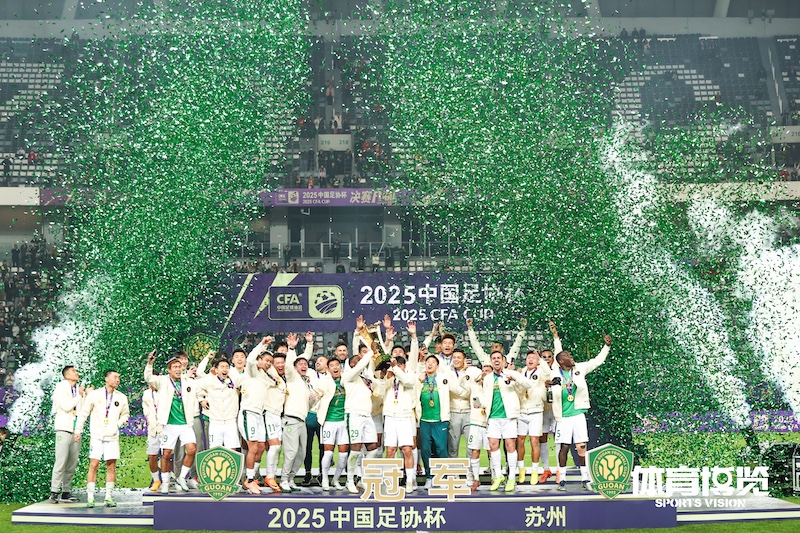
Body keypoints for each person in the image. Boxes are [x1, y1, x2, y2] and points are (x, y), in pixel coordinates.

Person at [551, 333, 612, 491]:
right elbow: (546, 384)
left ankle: (585, 478)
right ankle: (562, 479)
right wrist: (549, 384)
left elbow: (597, 361)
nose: (571, 357)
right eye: (567, 356)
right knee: (564, 447)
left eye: (570, 355)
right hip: (563, 417)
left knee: (581, 446)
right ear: (560, 361)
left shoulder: (579, 369)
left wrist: (606, 347)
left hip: (578, 414)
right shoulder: (555, 373)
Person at [144, 351, 199, 493]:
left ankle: (181, 477)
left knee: (192, 450)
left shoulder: (189, 382)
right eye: (174, 367)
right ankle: (165, 482)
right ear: (169, 370)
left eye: (179, 367)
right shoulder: (162, 381)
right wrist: (150, 363)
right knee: (166, 454)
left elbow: (201, 389)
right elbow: (148, 377)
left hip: (185, 424)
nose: (177, 369)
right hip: (168, 424)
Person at [75, 370, 130, 508]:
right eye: (115, 377)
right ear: (106, 379)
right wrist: (78, 430)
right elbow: (84, 413)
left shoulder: (121, 397)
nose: (117, 380)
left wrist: (117, 424)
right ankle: (90, 497)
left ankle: (108, 497)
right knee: (93, 464)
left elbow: (125, 415)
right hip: (97, 435)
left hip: (112, 436)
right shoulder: (94, 394)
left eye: (118, 377)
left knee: (111, 465)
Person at [480, 350, 532, 492]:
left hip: (509, 417)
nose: (496, 360)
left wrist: (515, 379)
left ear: (503, 361)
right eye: (494, 358)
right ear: (491, 361)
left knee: (510, 446)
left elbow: (528, 384)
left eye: (499, 358)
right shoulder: (488, 378)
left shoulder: (511, 374)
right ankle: (498, 476)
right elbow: (486, 396)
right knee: (493, 446)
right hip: (493, 417)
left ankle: (512, 477)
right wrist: (481, 403)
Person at [341, 324, 379, 494]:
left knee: (373, 449)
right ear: (350, 364)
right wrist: (369, 351)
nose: (358, 361)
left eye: (359, 359)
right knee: (355, 449)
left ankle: (364, 479)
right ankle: (350, 480)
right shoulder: (348, 376)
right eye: (355, 360)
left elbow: (370, 368)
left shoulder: (365, 377)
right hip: (354, 414)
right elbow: (360, 364)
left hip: (367, 415)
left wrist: (364, 335)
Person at [415, 353, 461, 489]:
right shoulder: (420, 379)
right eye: (427, 362)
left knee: (441, 449)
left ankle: (443, 477)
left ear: (437, 365)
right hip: (424, 420)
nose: (429, 364)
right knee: (425, 450)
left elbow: (458, 390)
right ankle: (429, 477)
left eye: (433, 362)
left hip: (440, 420)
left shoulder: (443, 378)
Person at [279, 332, 316, 492]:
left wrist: (313, 399)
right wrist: (291, 348)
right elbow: (288, 365)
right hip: (291, 419)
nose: (303, 365)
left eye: (305, 364)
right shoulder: (292, 377)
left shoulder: (306, 383)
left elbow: (308, 404)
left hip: (302, 421)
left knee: (301, 453)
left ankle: (291, 479)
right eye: (300, 363)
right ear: (295, 368)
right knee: (291, 451)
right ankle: (283, 479)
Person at [50, 365, 92, 503]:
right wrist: (80, 395)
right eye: (74, 371)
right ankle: (54, 492)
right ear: (66, 375)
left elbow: (83, 410)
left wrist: (87, 395)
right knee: (61, 461)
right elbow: (67, 406)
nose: (77, 373)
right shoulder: (61, 387)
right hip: (63, 428)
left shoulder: (78, 389)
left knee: (72, 463)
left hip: (76, 430)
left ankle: (66, 492)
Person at [377, 353, 418, 493]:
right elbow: (379, 393)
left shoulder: (409, 375)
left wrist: (396, 369)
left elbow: (408, 382)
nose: (396, 367)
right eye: (395, 365)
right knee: (390, 450)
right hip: (390, 417)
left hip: (404, 417)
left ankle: (409, 480)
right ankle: (390, 481)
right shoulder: (389, 378)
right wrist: (383, 378)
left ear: (404, 366)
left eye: (400, 365)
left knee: (407, 449)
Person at [240, 338, 274, 495]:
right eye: (266, 360)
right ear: (259, 360)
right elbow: (250, 360)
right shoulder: (251, 371)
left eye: (270, 362)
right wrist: (263, 344)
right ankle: (249, 480)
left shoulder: (265, 376)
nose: (268, 363)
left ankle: (252, 477)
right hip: (248, 413)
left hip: (259, 415)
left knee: (261, 447)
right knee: (253, 447)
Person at [516, 349, 553, 485]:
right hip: (522, 409)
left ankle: (535, 471)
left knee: (534, 441)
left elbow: (548, 372)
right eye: (529, 358)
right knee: (520, 440)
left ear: (538, 360)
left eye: (534, 358)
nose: (531, 360)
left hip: (536, 410)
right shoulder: (521, 372)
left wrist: (541, 360)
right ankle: (521, 469)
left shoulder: (542, 371)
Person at [197, 357, 243, 451]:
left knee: (232, 450)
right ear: (216, 370)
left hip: (231, 421)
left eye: (227, 367)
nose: (225, 369)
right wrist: (201, 399)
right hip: (215, 421)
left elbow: (245, 381)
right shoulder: (209, 381)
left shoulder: (235, 380)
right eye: (222, 367)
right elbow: (196, 386)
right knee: (215, 450)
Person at [303, 355, 329, 486]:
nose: (318, 362)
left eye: (321, 361)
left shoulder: (330, 378)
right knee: (307, 447)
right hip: (309, 414)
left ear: (327, 364)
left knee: (323, 447)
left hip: (324, 416)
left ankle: (321, 474)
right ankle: (307, 473)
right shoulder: (310, 373)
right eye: (317, 361)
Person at [466, 363, 493, 490]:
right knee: (475, 451)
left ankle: (494, 477)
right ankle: (476, 479)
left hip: (489, 423)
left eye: (488, 371)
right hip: (475, 423)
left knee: (491, 451)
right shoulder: (474, 386)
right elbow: (462, 383)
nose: (484, 373)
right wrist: (466, 371)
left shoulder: (493, 387)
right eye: (483, 370)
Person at [142, 384, 163, 492]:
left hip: (165, 427)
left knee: (168, 455)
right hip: (153, 428)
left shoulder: (166, 390)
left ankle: (167, 480)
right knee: (152, 456)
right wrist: (148, 418)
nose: (151, 384)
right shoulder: (146, 393)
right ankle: (156, 480)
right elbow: (145, 408)